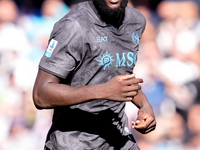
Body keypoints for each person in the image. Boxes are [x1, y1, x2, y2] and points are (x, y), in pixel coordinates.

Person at [32, 0, 156, 149]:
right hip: (74, 143)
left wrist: (145, 106)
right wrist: (104, 91)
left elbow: (120, 78)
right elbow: (41, 94)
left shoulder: (136, 21)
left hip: (118, 139)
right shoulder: (73, 26)